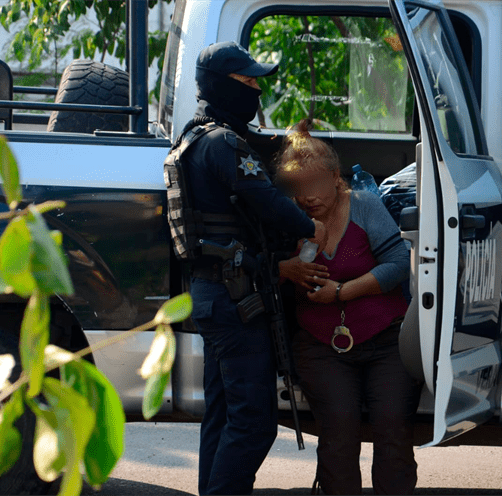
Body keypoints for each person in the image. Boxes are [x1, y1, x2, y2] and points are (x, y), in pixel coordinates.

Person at [176, 42, 327, 496]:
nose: (258, 89)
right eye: (249, 81)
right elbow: (268, 202)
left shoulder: (194, 136)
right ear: (225, 85)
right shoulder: (224, 144)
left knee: (221, 417)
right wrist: (311, 225)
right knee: (255, 424)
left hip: (215, 294)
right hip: (235, 300)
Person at [276, 120, 421, 495]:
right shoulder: (288, 217)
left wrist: (342, 292)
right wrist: (290, 264)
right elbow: (264, 274)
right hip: (320, 345)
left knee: (393, 432)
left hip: (385, 339)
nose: (307, 196)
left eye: (315, 185)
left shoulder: (364, 206)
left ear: (335, 177)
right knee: (339, 434)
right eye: (298, 188)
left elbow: (399, 263)